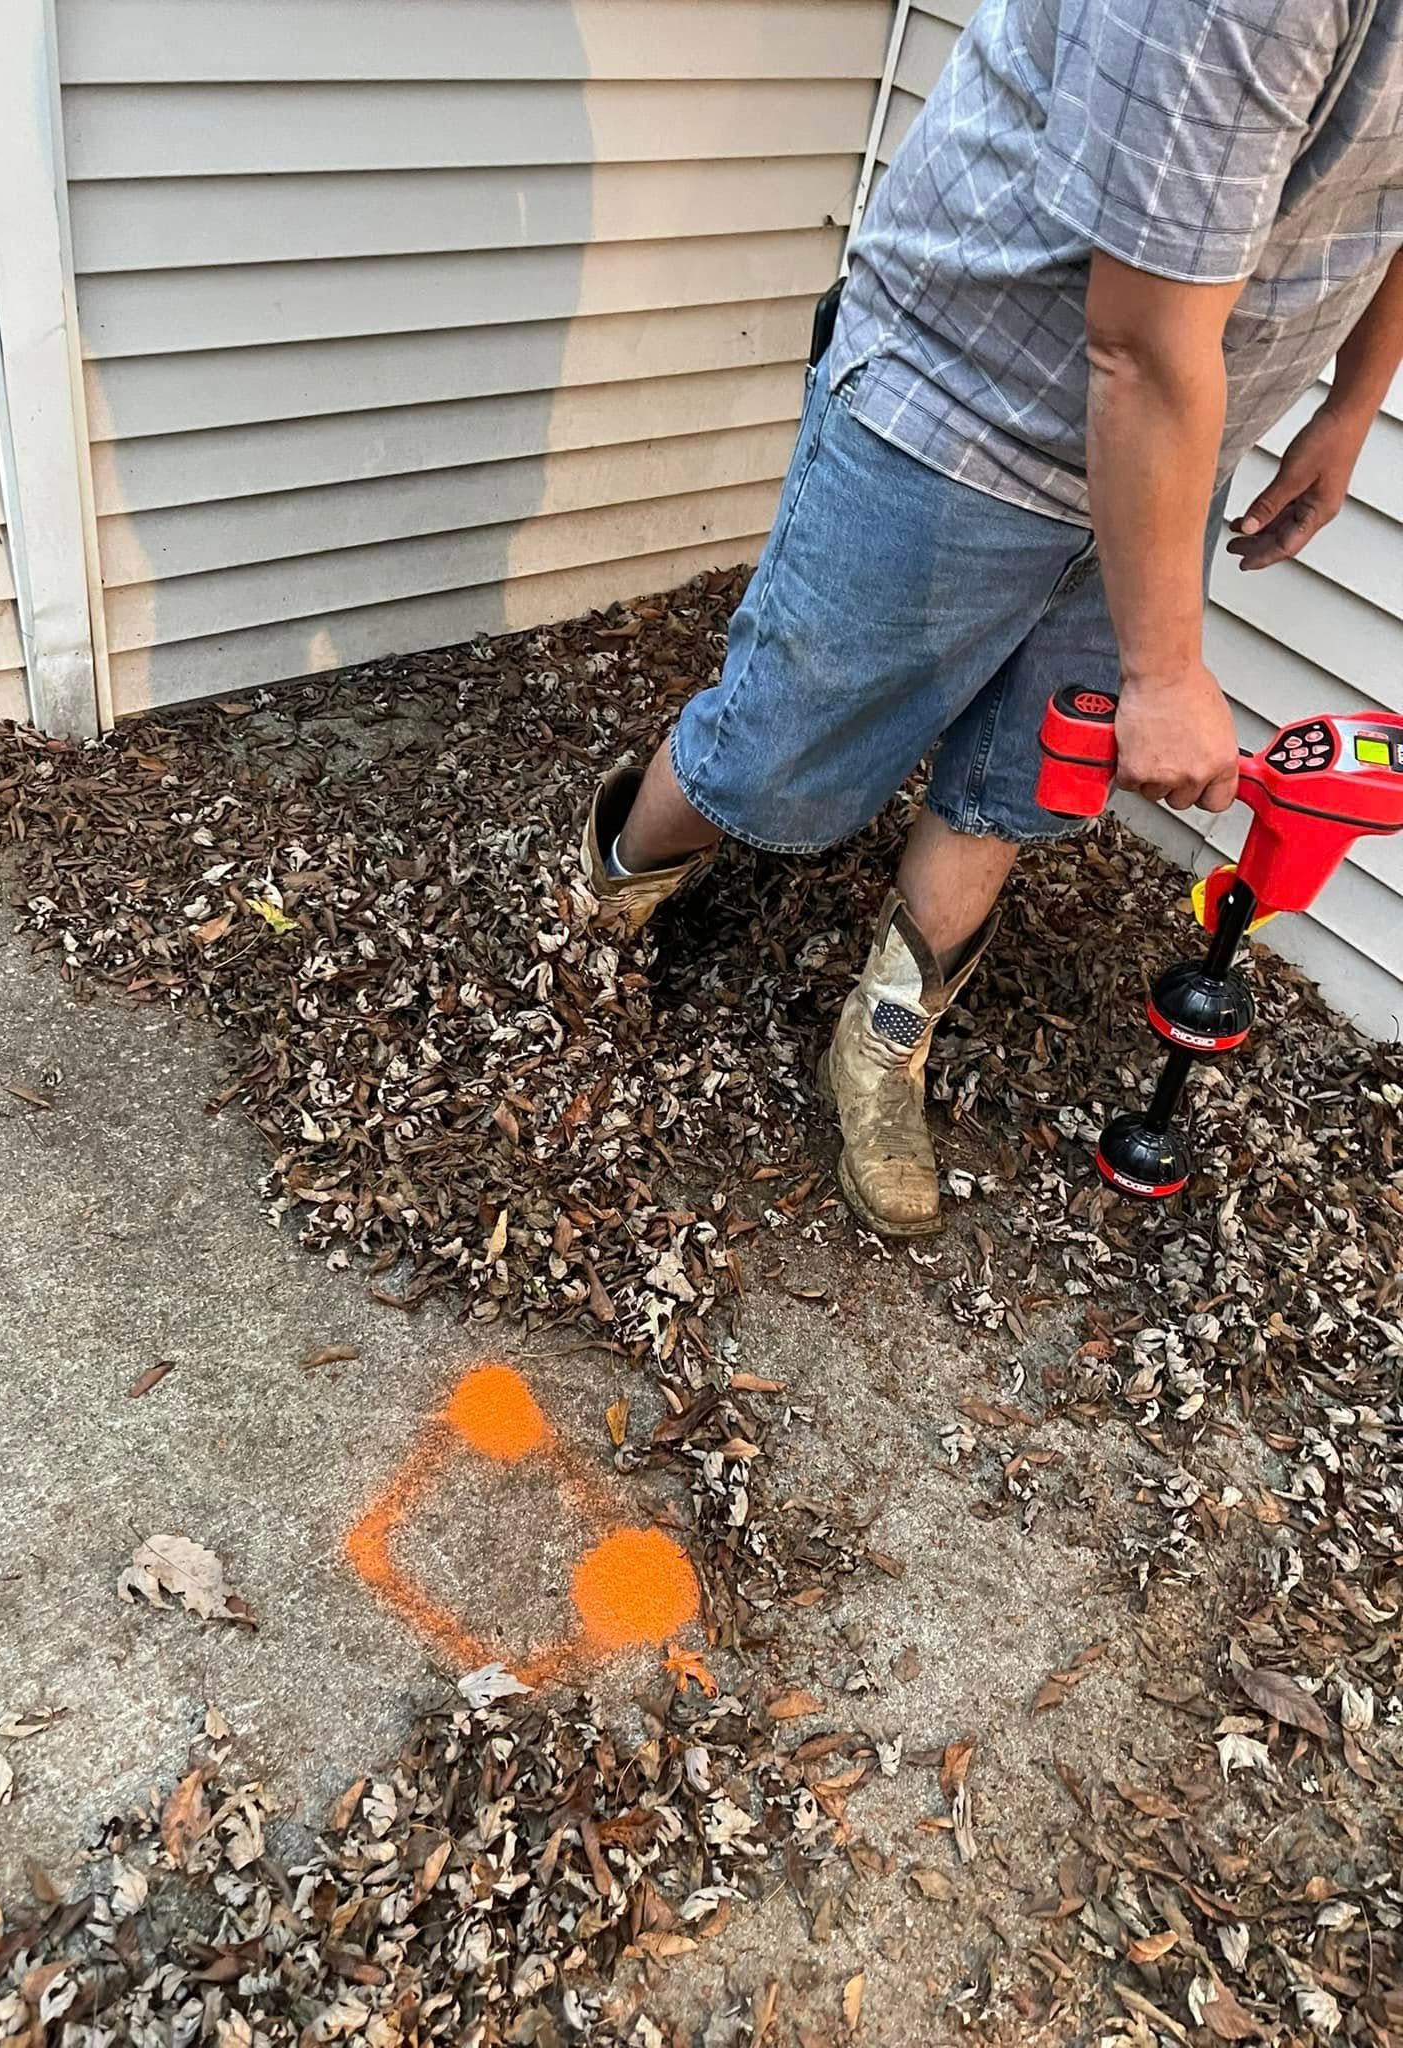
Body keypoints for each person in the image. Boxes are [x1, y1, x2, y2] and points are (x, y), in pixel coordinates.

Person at [578, 0, 1403, 1238]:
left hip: (1175, 439)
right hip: (962, 408)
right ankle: (605, 897)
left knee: (1026, 772)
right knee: (779, 747)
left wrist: (1351, 402)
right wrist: (1166, 667)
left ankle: (886, 1038)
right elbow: (1135, 345)